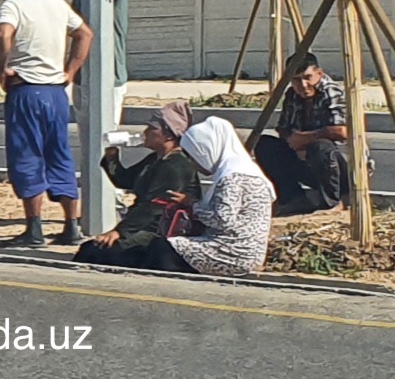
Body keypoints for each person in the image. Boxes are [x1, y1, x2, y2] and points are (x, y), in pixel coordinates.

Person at [0, 0, 91, 248]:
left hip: (26, 90)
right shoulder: (57, 4)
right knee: (59, 153)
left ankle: (34, 228)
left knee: (27, 156)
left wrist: (1, 67)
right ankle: (71, 225)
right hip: (55, 92)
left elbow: (2, 33)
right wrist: (70, 71)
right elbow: (85, 33)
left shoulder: (12, 5)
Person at [100, 118, 273, 274]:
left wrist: (191, 204)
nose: (194, 163)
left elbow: (222, 219)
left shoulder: (233, 177)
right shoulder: (243, 170)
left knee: (162, 247)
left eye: (196, 155)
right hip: (241, 248)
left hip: (234, 251)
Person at [73, 101, 198, 266]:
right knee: (93, 249)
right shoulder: (155, 159)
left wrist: (120, 232)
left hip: (158, 230)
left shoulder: (175, 165)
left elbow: (152, 207)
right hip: (143, 225)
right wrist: (112, 158)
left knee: (99, 251)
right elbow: (126, 180)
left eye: (152, 129)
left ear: (168, 135)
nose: (145, 133)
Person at [256, 54, 351, 217]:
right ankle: (293, 199)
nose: (303, 85)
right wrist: (291, 141)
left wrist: (304, 139)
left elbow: (341, 131)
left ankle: (333, 202)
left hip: (340, 166)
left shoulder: (331, 92)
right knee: (265, 145)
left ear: (319, 74)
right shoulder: (292, 94)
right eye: (296, 80)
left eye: (308, 78)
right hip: (307, 160)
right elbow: (283, 128)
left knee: (321, 147)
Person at [74, 0, 127, 139]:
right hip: (82, 77)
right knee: (85, 135)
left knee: (106, 136)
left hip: (110, 78)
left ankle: (107, 168)